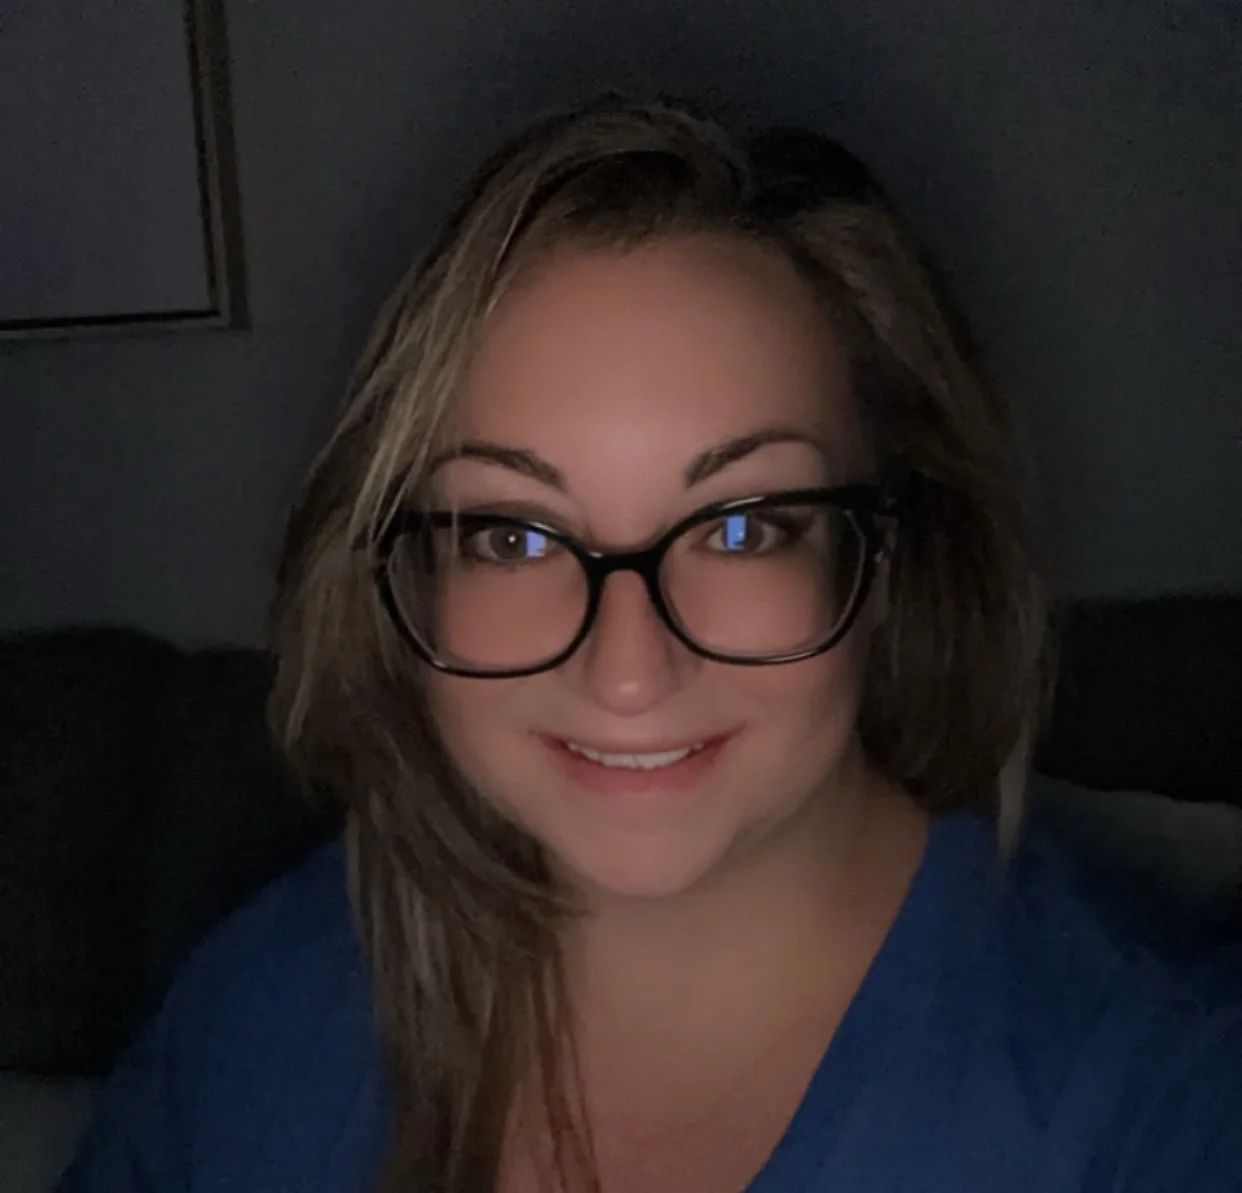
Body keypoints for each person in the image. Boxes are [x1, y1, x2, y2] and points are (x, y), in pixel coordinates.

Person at [58, 96, 1241, 1193]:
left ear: (887, 556)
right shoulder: (263, 1005)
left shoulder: (1157, 1098)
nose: (628, 670)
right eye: (513, 535)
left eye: (742, 526)